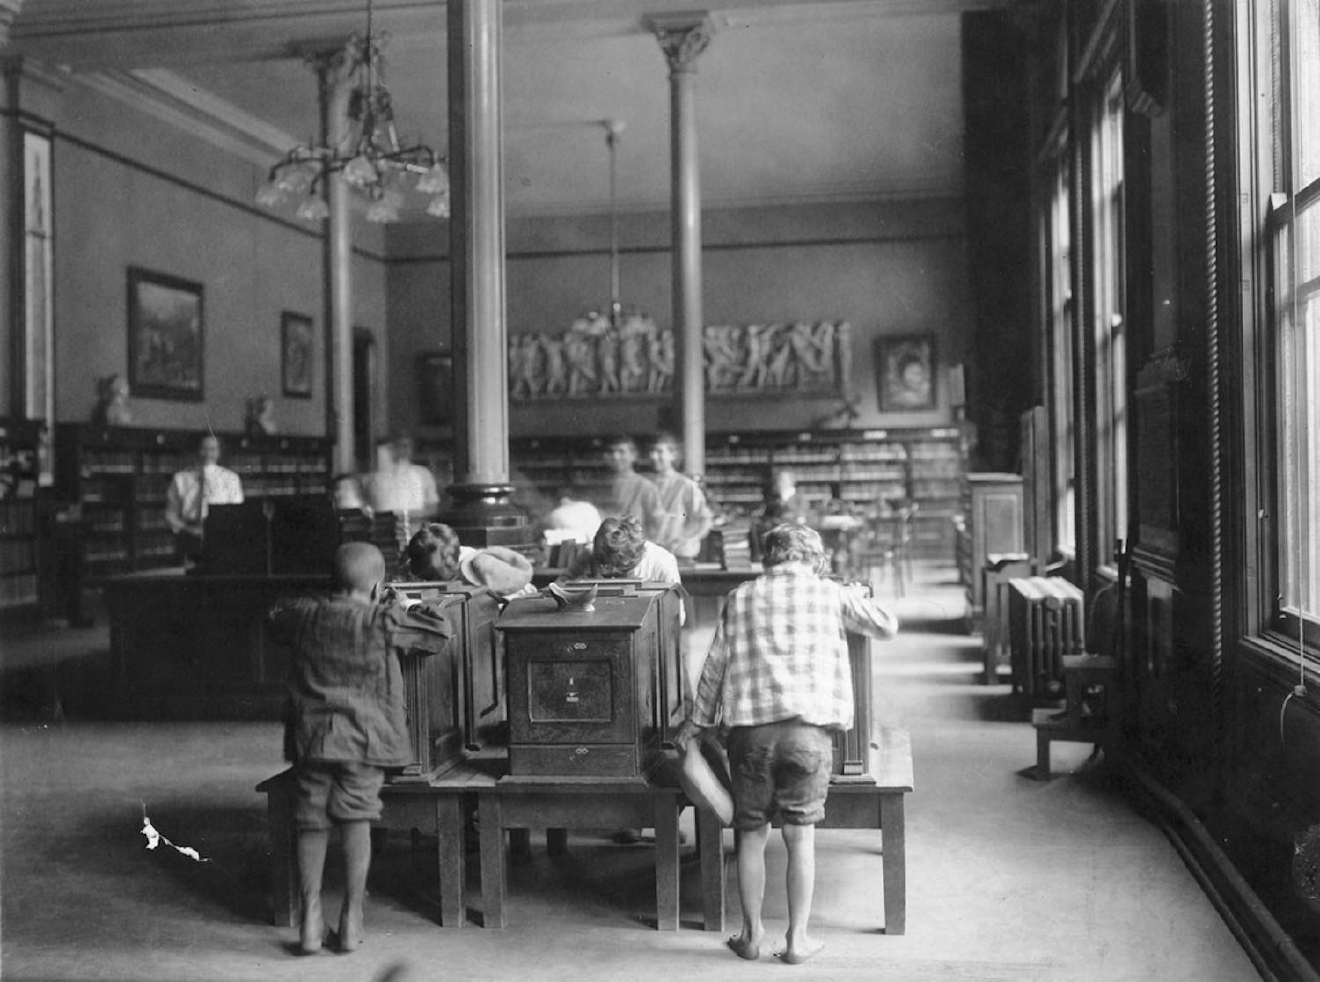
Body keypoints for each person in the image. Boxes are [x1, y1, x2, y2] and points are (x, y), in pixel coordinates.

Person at [674, 524, 899, 966]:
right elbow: (887, 626)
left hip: (749, 738)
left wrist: (698, 724)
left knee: (751, 836)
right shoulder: (830, 593)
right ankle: (797, 941)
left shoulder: (740, 597)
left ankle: (751, 936)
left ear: (767, 559)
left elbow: (715, 666)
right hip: (808, 736)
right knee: (800, 838)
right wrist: (852, 592)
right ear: (813, 560)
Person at [266, 542, 455, 955]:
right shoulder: (384, 620)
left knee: (311, 818)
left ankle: (311, 917)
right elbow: (440, 632)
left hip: (313, 739)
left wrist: (323, 600)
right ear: (376, 586)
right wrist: (404, 604)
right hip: (365, 741)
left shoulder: (305, 616)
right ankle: (351, 918)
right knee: (356, 819)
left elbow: (276, 615)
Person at [402, 522, 536, 600]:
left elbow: (512, 590)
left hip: (517, 599)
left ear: (451, 563)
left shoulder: (480, 564)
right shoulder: (427, 561)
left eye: (437, 574)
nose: (432, 580)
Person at [163, 433, 244, 562]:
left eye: (212, 449)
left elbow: (237, 512)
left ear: (219, 453)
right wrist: (188, 530)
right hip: (190, 537)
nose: (207, 454)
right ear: (197, 451)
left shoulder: (231, 479)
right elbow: (170, 515)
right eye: (203, 449)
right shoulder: (180, 478)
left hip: (221, 537)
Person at [648, 433, 714, 562]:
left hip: (679, 556)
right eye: (651, 451)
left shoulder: (686, 486)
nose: (654, 456)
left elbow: (704, 519)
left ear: (673, 455)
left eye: (660, 451)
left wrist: (683, 539)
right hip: (652, 556)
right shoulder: (646, 485)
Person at [598, 434, 662, 541]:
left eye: (621, 452)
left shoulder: (646, 487)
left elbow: (657, 525)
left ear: (633, 455)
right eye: (611, 452)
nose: (615, 456)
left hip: (636, 549)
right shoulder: (599, 485)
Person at [364, 435, 440, 521]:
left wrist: (405, 516)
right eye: (397, 447)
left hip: (414, 527)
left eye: (405, 446)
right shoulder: (375, 478)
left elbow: (432, 508)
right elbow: (370, 507)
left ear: (411, 449)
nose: (402, 451)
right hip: (384, 528)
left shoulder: (423, 473)